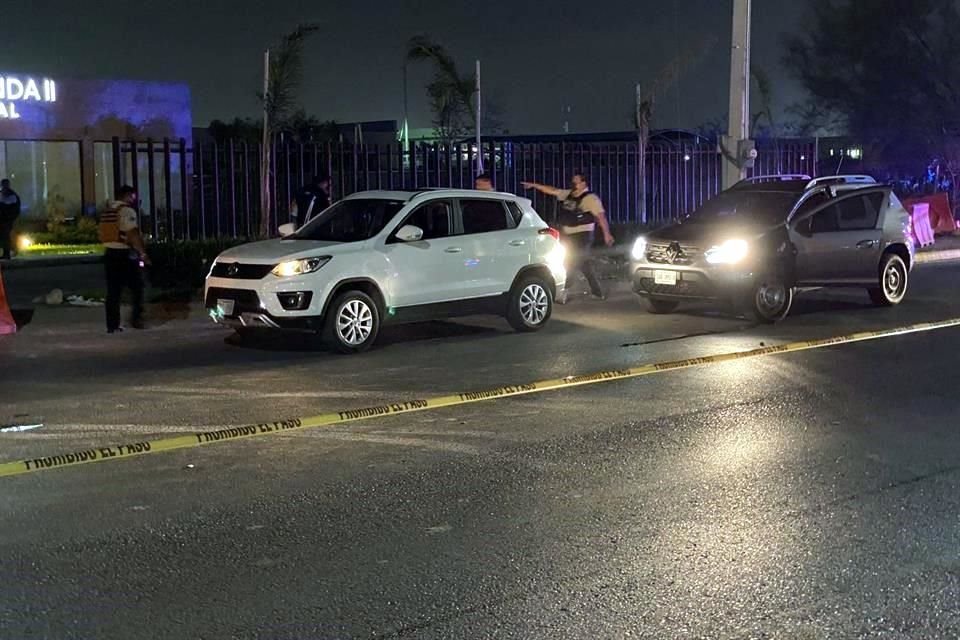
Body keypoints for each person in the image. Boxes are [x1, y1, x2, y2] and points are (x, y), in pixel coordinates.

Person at [522, 173, 614, 301]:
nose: (573, 185)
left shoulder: (591, 199)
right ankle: (597, 291)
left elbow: (601, 217)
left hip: (583, 236)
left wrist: (607, 234)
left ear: (583, 183)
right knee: (582, 263)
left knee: (571, 262)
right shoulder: (569, 194)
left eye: (576, 182)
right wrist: (534, 185)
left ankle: (564, 290)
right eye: (572, 182)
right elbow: (552, 191)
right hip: (569, 235)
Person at [98, 185, 149, 333]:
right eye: (132, 196)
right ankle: (136, 319)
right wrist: (143, 254)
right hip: (123, 254)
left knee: (113, 291)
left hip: (109, 254)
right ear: (126, 196)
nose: (134, 199)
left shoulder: (108, 211)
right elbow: (132, 234)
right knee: (137, 287)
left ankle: (112, 325)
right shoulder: (126, 211)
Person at [0, 179, 21, 261]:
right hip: (4, 220)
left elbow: (10, 208)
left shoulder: (12, 195)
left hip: (8, 220)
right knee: (4, 236)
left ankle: (8, 253)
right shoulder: (3, 194)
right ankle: (6, 253)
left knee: (6, 236)